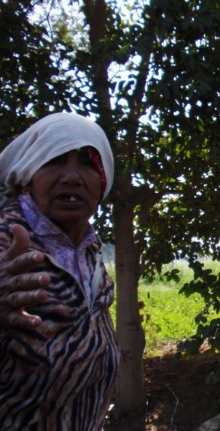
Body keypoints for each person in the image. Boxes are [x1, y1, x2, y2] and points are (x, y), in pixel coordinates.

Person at [0, 112, 120, 430]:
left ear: (103, 178)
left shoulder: (88, 252)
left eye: (85, 162)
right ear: (28, 175)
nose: (71, 177)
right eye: (53, 161)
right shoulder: (8, 247)